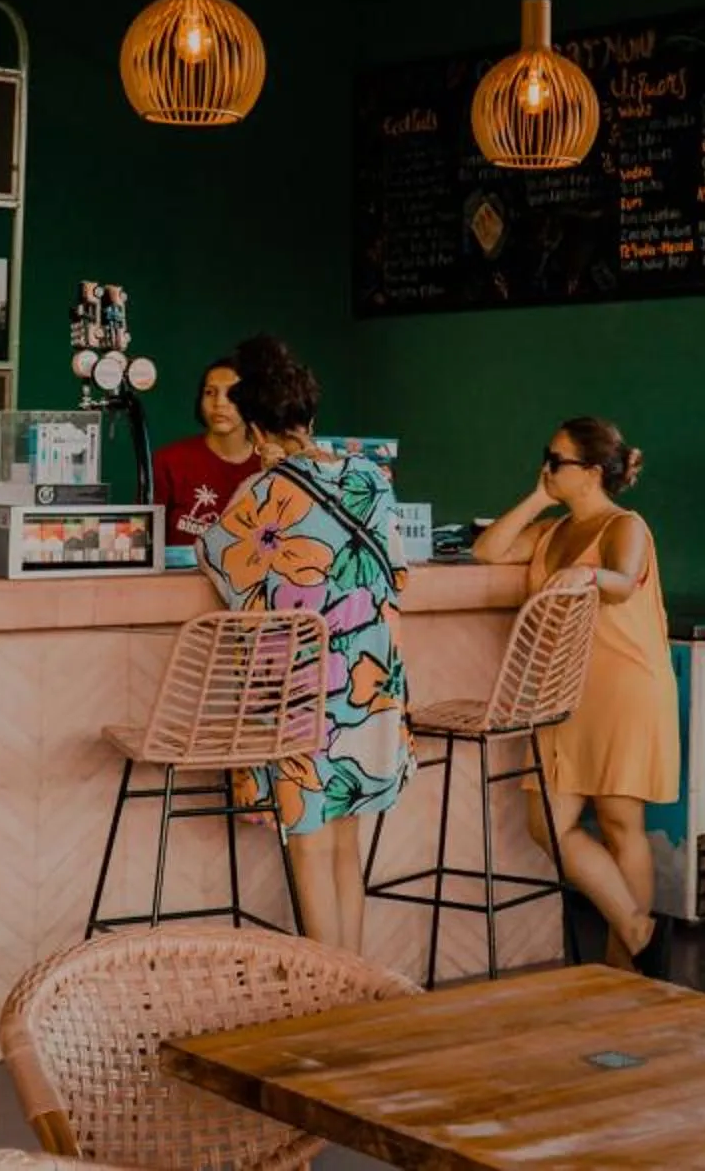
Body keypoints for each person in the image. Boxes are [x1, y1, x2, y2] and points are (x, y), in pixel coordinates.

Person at [193, 334, 412, 952]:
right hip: (373, 678)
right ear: (310, 417)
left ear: (257, 431)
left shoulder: (260, 495)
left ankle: (330, 997)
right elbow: (395, 574)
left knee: (310, 843)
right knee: (346, 838)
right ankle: (356, 983)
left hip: (302, 691)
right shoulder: (372, 478)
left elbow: (219, 567)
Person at [472, 417, 678, 970]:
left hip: (624, 686)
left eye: (556, 460)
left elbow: (624, 578)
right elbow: (488, 552)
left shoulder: (624, 524)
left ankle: (622, 972)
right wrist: (538, 497)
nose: (546, 466)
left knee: (619, 824)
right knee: (547, 825)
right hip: (561, 690)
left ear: (591, 472)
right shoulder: (553, 531)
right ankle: (639, 932)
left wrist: (588, 578)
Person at [151, 356, 260, 546]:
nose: (219, 403)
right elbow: (146, 543)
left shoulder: (269, 467)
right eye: (210, 392)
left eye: (233, 394)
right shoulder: (168, 462)